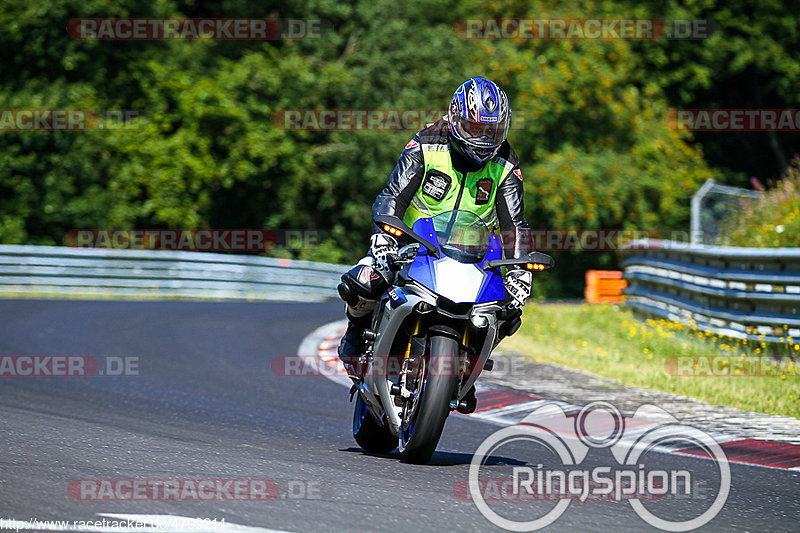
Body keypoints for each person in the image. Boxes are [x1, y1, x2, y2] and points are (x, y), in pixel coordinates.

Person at [337, 76, 533, 365]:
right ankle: (355, 336)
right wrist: (385, 237)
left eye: (492, 131)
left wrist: (520, 270)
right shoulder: (427, 142)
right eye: (474, 127)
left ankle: (468, 365)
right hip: (412, 245)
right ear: (455, 118)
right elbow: (394, 193)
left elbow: (515, 223)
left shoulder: (505, 163)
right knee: (364, 281)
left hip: (473, 257)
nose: (482, 139)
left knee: (508, 312)